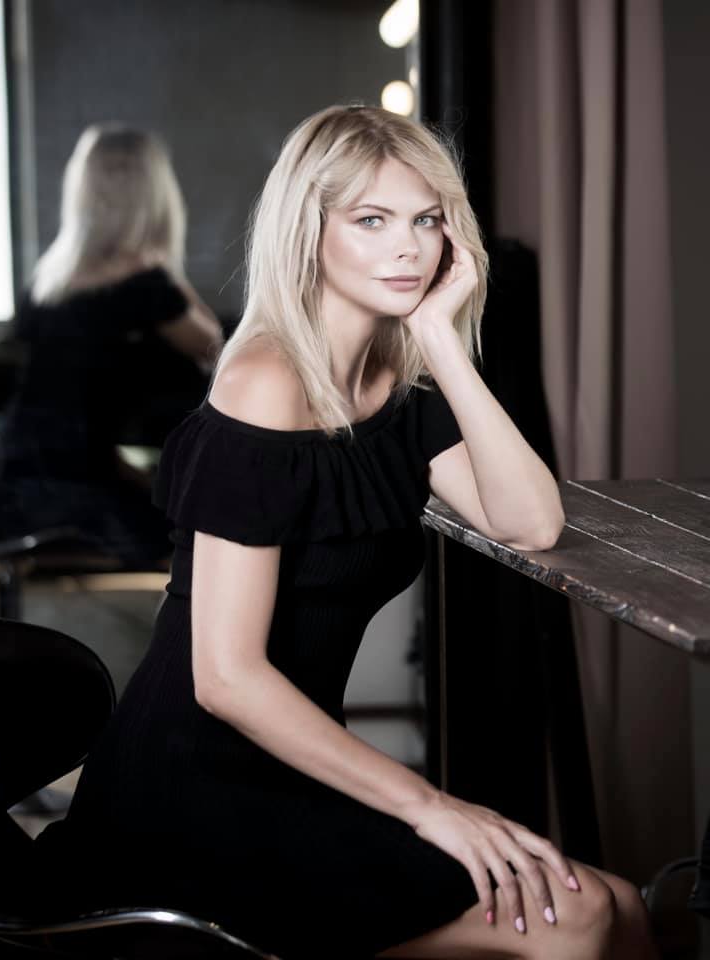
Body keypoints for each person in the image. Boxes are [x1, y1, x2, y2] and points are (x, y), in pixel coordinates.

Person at [34, 106, 659, 959]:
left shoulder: (391, 384)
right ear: (309, 231)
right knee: (579, 917)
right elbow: (224, 679)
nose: (409, 249)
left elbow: (530, 522)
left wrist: (439, 339)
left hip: (291, 771)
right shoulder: (263, 383)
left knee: (623, 906)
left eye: (426, 221)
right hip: (193, 791)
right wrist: (431, 805)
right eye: (371, 220)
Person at [0, 125, 223, 568]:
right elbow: (216, 348)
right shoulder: (147, 285)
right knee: (204, 526)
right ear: (155, 196)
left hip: (9, 469)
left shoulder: (49, 280)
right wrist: (164, 265)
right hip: (73, 485)